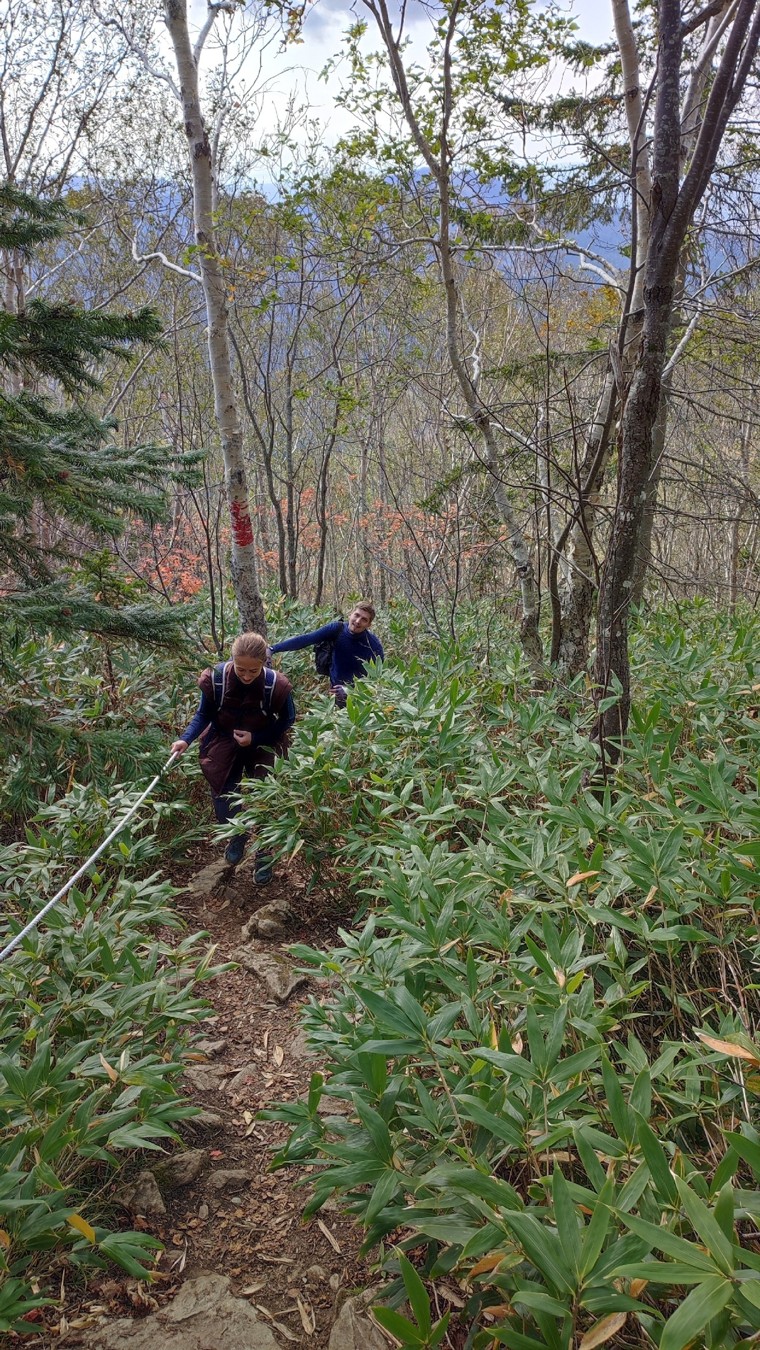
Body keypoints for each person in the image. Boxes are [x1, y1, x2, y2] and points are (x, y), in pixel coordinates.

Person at [171, 632, 295, 882]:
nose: (247, 676)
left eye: (253, 670)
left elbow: (288, 718)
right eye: (241, 670)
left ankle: (265, 854)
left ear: (264, 663)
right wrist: (185, 738)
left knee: (266, 799)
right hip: (223, 740)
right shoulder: (216, 678)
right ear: (232, 661)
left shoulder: (277, 685)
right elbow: (203, 714)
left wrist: (256, 738)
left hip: (264, 741)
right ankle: (237, 835)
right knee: (223, 795)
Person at [269, 602, 383, 708]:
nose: (358, 621)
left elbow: (377, 679)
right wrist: (272, 649)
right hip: (334, 694)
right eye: (356, 615)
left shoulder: (373, 646)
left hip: (359, 698)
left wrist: (351, 690)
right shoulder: (336, 629)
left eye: (364, 619)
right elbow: (306, 639)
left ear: (369, 624)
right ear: (350, 614)